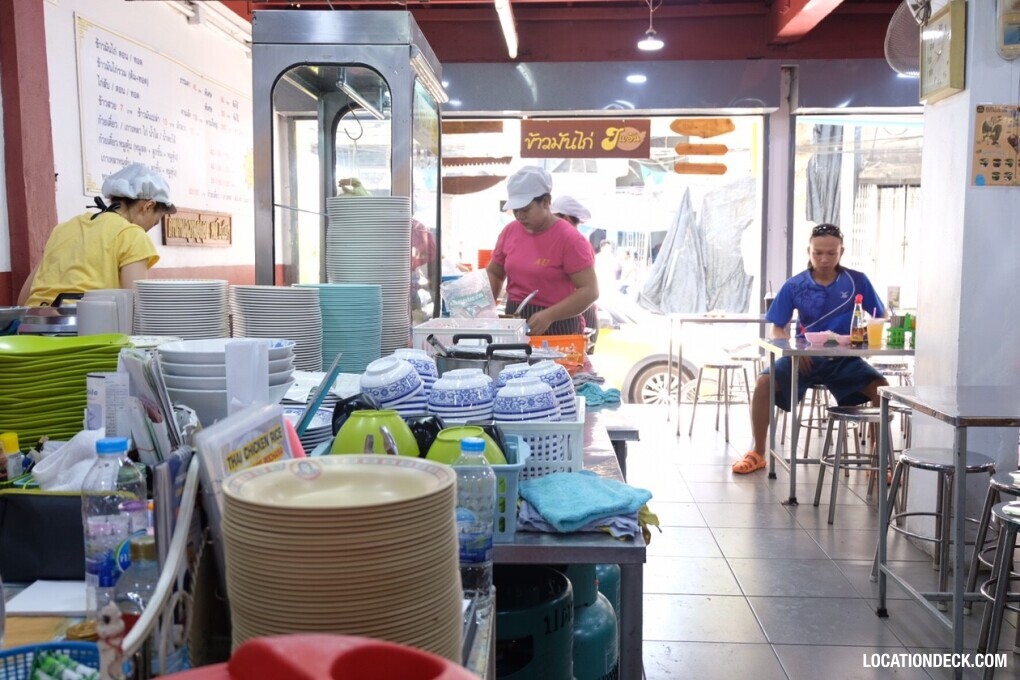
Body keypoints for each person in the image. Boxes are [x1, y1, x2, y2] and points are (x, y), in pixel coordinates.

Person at [731, 223, 887, 474]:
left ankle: (879, 462)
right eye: (818, 253)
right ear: (809, 251)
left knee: (882, 391)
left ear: (841, 252)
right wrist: (794, 352)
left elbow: (880, 315)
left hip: (845, 361)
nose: (824, 259)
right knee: (763, 384)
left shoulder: (857, 281)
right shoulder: (795, 285)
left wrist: (864, 333)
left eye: (831, 253)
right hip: (804, 360)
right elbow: (777, 328)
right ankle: (758, 452)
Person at [19, 163, 174, 307]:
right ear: (148, 206)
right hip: (87, 329)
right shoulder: (132, 235)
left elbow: (23, 298)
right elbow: (134, 306)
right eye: (155, 222)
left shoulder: (63, 229)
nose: (149, 229)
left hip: (32, 325)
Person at [486, 167, 598, 336]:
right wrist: (486, 309)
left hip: (558, 326)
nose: (519, 216)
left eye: (525, 210)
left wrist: (549, 316)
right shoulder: (509, 231)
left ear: (545, 202)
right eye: (515, 210)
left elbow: (590, 290)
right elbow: (495, 272)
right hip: (515, 320)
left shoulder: (570, 239)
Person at [550, 195, 599, 337]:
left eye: (553, 218)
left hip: (580, 311)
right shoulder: (560, 242)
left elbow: (587, 289)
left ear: (565, 219)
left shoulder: (576, 244)